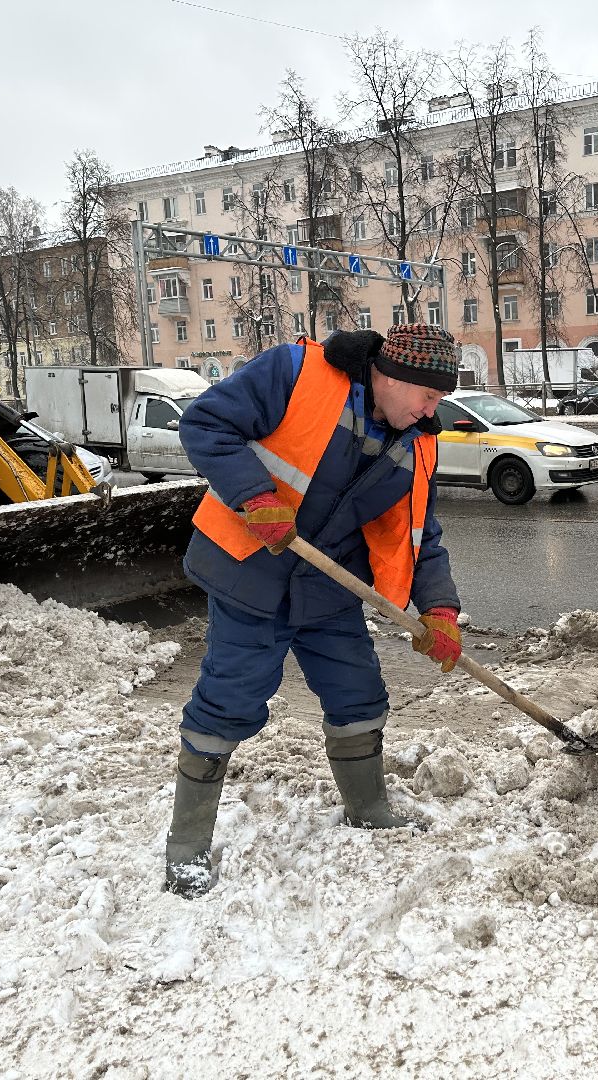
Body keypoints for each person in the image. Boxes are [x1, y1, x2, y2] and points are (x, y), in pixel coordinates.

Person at [163, 324, 464, 898]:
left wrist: (441, 609)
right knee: (230, 699)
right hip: (249, 569)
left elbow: (421, 533)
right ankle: (187, 848)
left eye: (439, 397)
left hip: (329, 585)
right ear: (390, 377)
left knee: (359, 694)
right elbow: (205, 422)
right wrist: (255, 495)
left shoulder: (415, 440)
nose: (434, 408)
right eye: (427, 394)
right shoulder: (295, 374)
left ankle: (368, 806)